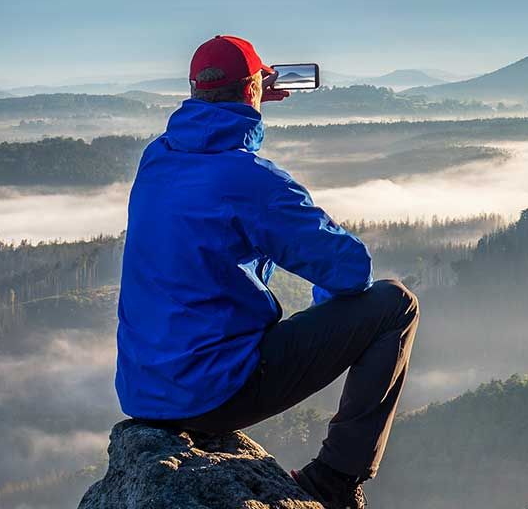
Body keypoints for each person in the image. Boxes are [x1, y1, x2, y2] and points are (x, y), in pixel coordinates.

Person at [115, 35, 419, 509]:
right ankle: (337, 477)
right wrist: (330, 317)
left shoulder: (156, 157)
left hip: (145, 391)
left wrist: (248, 91)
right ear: (253, 89)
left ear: (194, 92)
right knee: (395, 304)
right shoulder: (250, 178)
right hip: (214, 394)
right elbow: (349, 269)